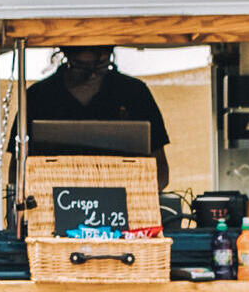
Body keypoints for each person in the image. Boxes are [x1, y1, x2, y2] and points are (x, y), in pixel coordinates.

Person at [27, 45, 172, 189]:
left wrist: (133, 195)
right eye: (82, 68)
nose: (93, 75)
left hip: (124, 205)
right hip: (55, 203)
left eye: (101, 66)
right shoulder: (38, 96)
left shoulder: (135, 92)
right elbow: (17, 173)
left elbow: (160, 171)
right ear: (67, 56)